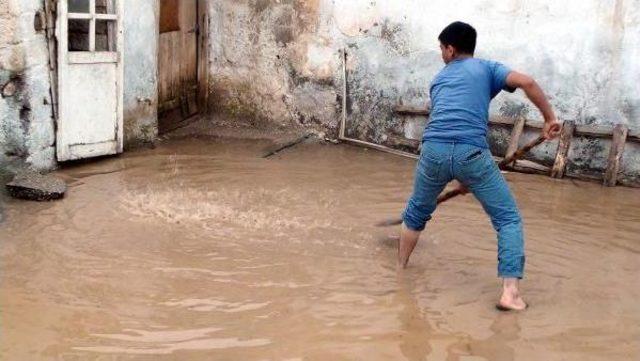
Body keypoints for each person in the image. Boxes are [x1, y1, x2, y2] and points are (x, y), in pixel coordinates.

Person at [398, 21, 560, 311]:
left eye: (441, 48)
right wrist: (549, 119)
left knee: (415, 214)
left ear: (450, 48)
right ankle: (510, 294)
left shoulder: (438, 80)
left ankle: (400, 273)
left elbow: (447, 124)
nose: (441, 54)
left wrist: (460, 175)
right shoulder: (487, 69)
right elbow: (528, 82)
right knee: (508, 219)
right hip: (471, 154)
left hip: (432, 151)